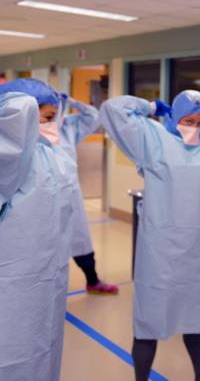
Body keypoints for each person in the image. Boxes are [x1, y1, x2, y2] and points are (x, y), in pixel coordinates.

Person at [100, 90, 200, 381]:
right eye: (188, 120)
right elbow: (112, 109)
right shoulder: (152, 138)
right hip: (160, 249)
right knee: (149, 320)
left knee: (195, 317)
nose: (195, 127)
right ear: (174, 117)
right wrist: (151, 106)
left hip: (197, 248)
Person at [0, 78, 76, 381]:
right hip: (17, 273)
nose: (52, 124)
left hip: (51, 270)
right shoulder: (5, 159)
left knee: (45, 344)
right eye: (45, 116)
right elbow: (17, 119)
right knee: (10, 348)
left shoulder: (52, 153)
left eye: (53, 116)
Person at [58, 94, 118, 294]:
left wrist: (73, 101)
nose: (55, 117)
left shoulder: (67, 127)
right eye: (48, 114)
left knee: (80, 238)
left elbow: (94, 116)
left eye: (57, 111)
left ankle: (92, 281)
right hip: (40, 201)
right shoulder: (28, 133)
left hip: (70, 195)